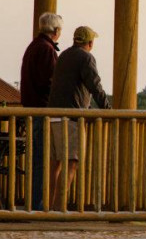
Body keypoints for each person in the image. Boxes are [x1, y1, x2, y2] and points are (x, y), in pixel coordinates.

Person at [47, 26, 111, 209]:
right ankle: (60, 209)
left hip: (53, 115)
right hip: (71, 117)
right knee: (71, 162)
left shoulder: (64, 56)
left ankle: (50, 208)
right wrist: (107, 110)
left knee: (56, 164)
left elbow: (73, 88)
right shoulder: (86, 58)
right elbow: (95, 86)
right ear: (90, 43)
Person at [20, 12, 62, 210]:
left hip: (31, 108)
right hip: (41, 110)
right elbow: (50, 82)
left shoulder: (34, 46)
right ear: (56, 31)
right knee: (40, 160)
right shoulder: (46, 50)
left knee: (37, 159)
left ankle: (33, 202)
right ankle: (36, 205)